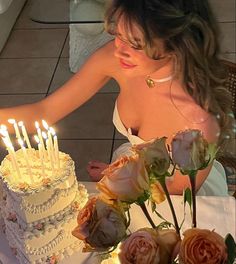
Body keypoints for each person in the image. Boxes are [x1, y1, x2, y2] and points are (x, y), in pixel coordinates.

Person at [0, 0, 234, 195]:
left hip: (180, 199)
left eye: (135, 43)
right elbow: (45, 112)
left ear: (178, 41)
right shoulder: (115, 58)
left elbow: (177, 195)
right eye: (118, 34)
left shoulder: (199, 117)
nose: (119, 49)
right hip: (132, 172)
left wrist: (121, 177)